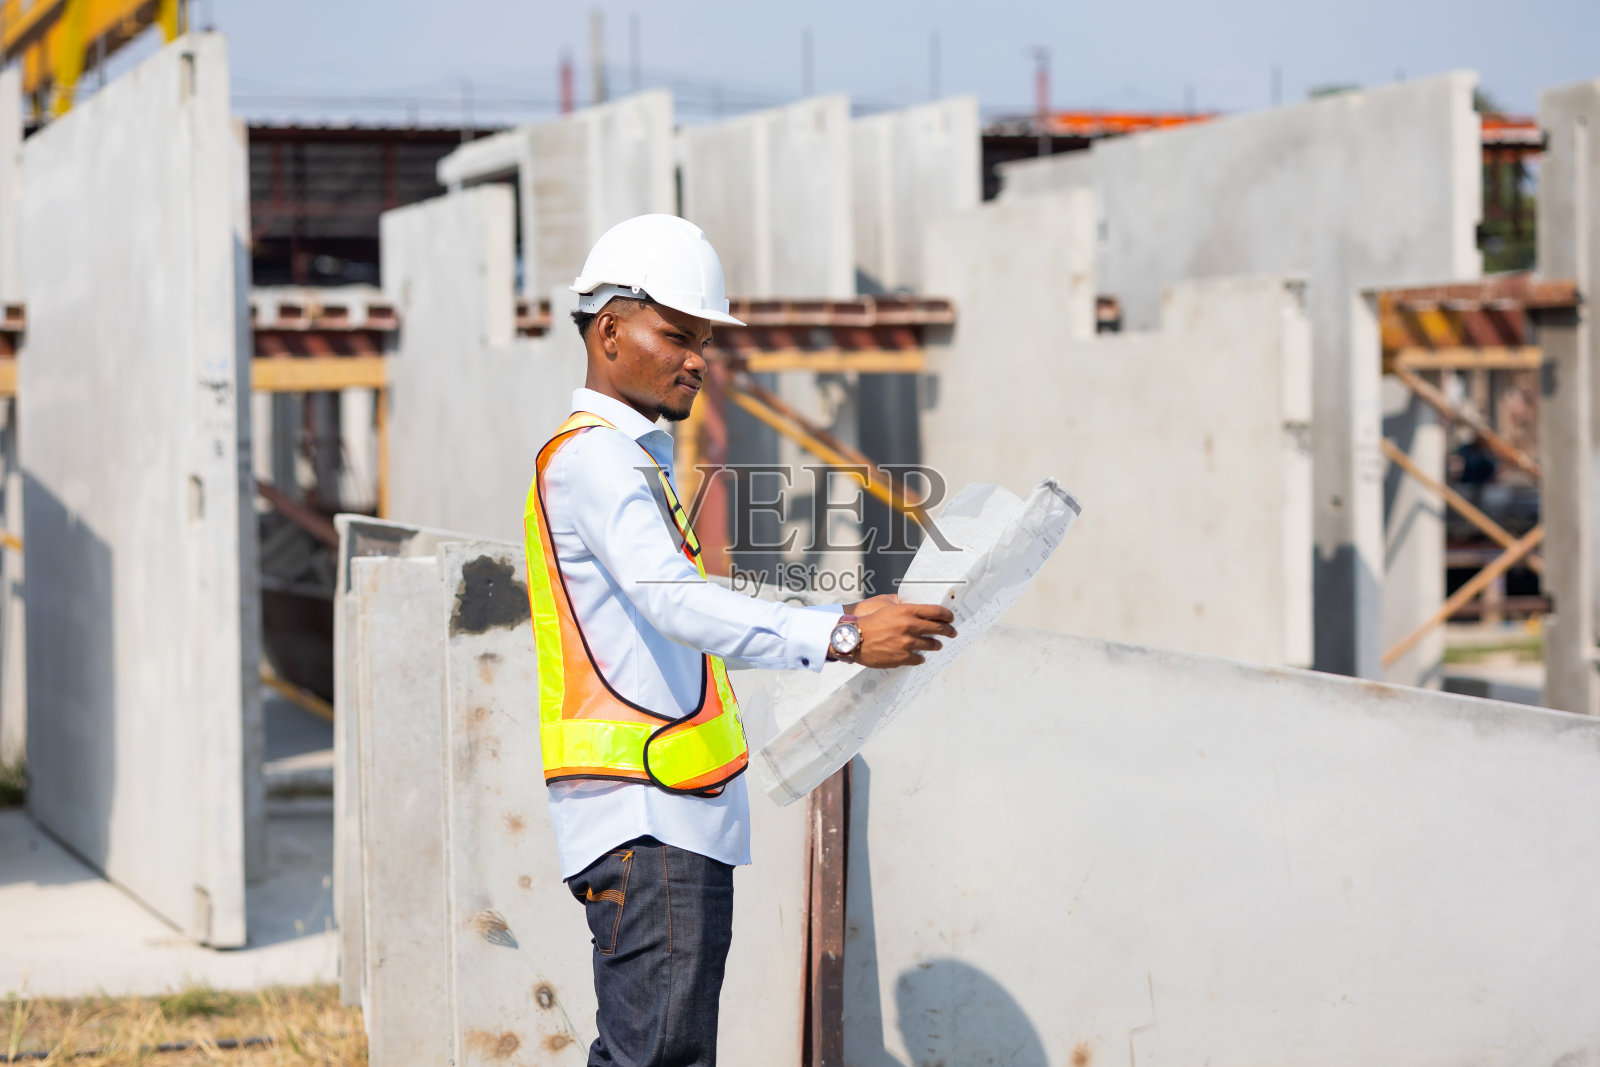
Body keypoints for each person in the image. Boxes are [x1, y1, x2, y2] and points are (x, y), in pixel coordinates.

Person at [522, 213, 956, 1067]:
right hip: (648, 817)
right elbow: (676, 605)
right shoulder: (597, 460)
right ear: (609, 328)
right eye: (677, 334)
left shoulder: (625, 459)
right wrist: (836, 633)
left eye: (705, 340)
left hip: (661, 814)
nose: (697, 358)